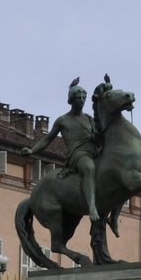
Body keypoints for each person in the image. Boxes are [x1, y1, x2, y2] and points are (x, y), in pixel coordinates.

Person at [23, 79, 101, 223]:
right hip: (78, 154)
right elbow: (48, 139)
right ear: (71, 100)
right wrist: (32, 151)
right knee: (89, 168)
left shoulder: (89, 119)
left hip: (94, 151)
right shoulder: (63, 121)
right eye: (79, 98)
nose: (82, 100)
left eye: (84, 97)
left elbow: (98, 135)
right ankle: (91, 207)